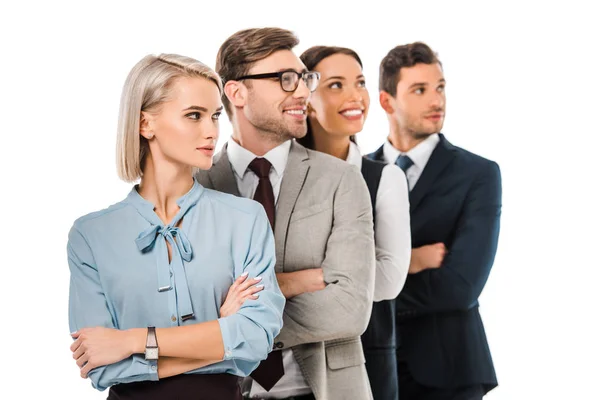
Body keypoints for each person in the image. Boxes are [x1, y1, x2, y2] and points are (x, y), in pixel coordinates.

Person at [67, 53, 285, 400]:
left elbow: (256, 340)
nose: (211, 130)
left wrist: (131, 341)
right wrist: (220, 333)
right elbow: (102, 366)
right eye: (194, 116)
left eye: (215, 116)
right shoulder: (91, 235)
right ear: (145, 124)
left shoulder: (246, 219)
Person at [196, 28, 376, 400]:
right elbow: (179, 310)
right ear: (236, 92)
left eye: (304, 79)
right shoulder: (196, 186)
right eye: (285, 80)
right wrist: (296, 282)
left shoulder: (341, 180)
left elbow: (351, 308)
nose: (303, 92)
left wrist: (235, 320)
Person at [368, 42, 502, 399]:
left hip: (450, 371)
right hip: (370, 371)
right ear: (386, 101)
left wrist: (370, 287)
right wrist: (410, 262)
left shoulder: (478, 174)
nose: (436, 100)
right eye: (420, 90)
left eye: (440, 87)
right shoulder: (356, 174)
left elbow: (460, 287)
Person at [298, 45, 411, 400]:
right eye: (336, 85)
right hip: (293, 360)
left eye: (359, 83)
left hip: (366, 355)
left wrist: (298, 280)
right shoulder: (281, 178)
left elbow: (390, 280)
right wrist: (347, 275)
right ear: (305, 99)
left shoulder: (385, 178)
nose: (355, 96)